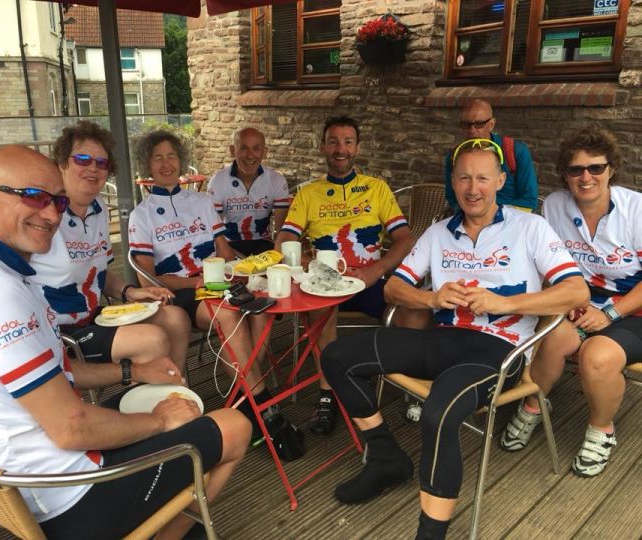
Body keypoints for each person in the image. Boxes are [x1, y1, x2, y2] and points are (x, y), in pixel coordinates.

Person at [0, 145, 250, 539]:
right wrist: (159, 421)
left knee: (176, 405)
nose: (51, 214)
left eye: (56, 201)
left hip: (26, 468)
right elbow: (71, 427)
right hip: (67, 496)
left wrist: (132, 370)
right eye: (33, 196)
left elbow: (56, 372)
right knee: (233, 425)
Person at [320, 139, 588, 539]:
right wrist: (431, 297)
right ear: (453, 182)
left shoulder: (529, 226)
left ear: (500, 181)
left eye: (483, 177)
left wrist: (503, 303)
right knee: (338, 356)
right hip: (442, 338)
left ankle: (431, 533)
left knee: (438, 412)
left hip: (499, 349)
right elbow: (394, 289)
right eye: (464, 177)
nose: (473, 187)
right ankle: (384, 456)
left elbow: (576, 292)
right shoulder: (437, 232)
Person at [500, 125, 642, 478]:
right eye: (576, 169)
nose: (586, 177)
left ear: (611, 169)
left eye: (596, 168)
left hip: (633, 309)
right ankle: (534, 405)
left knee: (597, 357)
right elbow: (551, 266)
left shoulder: (637, 209)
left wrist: (609, 312)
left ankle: (601, 430)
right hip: (581, 302)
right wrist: (568, 302)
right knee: (551, 338)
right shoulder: (556, 206)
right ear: (565, 174)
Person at [128, 130, 284, 441]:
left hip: (216, 283)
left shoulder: (201, 201)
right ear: (147, 164)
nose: (166, 163)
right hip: (180, 292)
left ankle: (245, 393)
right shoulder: (141, 215)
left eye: (171, 156)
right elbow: (147, 279)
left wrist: (238, 272)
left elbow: (224, 251)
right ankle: (261, 402)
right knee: (228, 314)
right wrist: (195, 281)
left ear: (181, 161)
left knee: (261, 306)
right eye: (158, 157)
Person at [275, 115, 414, 435]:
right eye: (334, 141)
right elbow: (284, 239)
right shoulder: (309, 193)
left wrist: (375, 270)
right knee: (320, 309)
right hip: (325, 281)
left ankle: (408, 386)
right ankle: (328, 394)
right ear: (323, 146)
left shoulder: (377, 188)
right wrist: (309, 261)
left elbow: (406, 238)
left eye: (348, 141)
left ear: (357, 148)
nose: (341, 148)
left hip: (369, 278)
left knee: (410, 309)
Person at [30, 121, 191, 374]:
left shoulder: (99, 210)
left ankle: (177, 393)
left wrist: (129, 292)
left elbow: (99, 274)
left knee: (176, 318)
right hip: (58, 332)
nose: (93, 168)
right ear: (62, 163)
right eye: (83, 159)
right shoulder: (44, 215)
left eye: (101, 163)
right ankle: (147, 407)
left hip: (94, 316)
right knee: (152, 340)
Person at [207, 127, 291, 256]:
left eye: (256, 149)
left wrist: (277, 255)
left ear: (264, 152)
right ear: (232, 150)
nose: (250, 155)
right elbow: (214, 231)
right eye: (243, 148)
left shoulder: (277, 180)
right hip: (230, 246)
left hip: (264, 245)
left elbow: (282, 231)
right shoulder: (217, 181)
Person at [444, 99, 538, 212]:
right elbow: (452, 198)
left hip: (510, 221)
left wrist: (492, 216)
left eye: (479, 124)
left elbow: (529, 200)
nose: (472, 130)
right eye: (466, 124)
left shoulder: (515, 151)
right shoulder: (454, 156)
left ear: (491, 124)